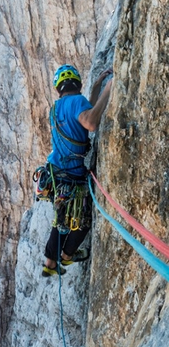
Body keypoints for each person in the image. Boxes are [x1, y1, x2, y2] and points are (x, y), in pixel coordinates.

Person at [42, 64, 112, 277]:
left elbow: (82, 112)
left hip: (55, 173)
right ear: (78, 84)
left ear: (58, 89)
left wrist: (98, 85)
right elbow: (89, 121)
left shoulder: (55, 109)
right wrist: (109, 87)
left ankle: (50, 261)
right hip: (72, 174)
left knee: (61, 217)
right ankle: (66, 256)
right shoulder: (77, 102)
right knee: (82, 221)